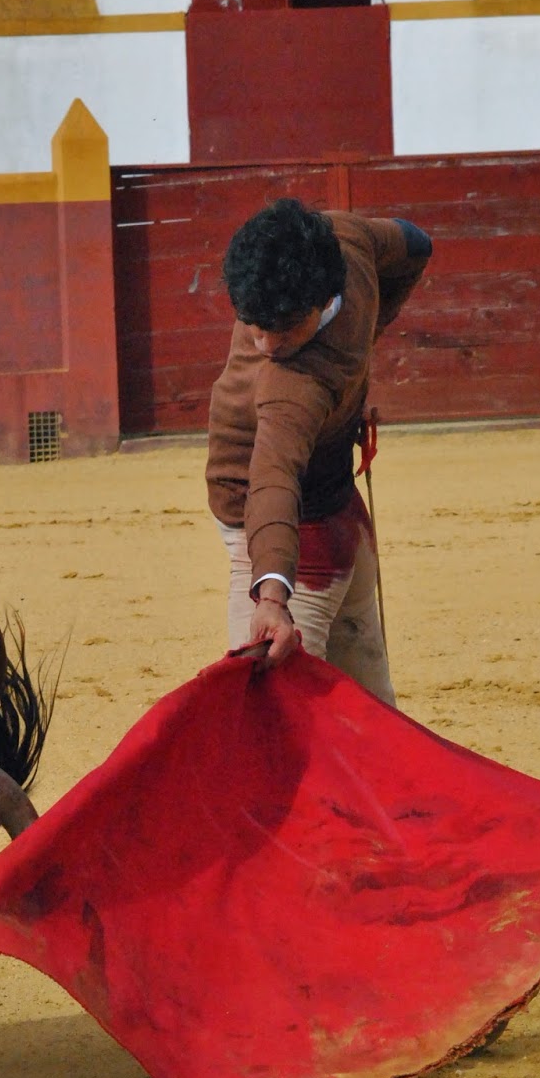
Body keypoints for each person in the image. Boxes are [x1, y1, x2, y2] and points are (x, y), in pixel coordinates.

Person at [205, 198, 432, 701]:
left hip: (294, 529)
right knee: (368, 696)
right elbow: (417, 242)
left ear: (325, 296)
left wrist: (270, 600)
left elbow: (271, 478)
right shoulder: (348, 240)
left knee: (273, 705)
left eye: (283, 329)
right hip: (332, 507)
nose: (266, 346)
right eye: (253, 326)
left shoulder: (293, 387)